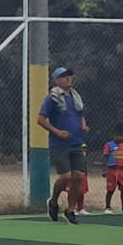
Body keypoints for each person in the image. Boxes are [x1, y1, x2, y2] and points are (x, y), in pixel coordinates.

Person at [36, 67, 88, 225]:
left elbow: (81, 113)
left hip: (76, 142)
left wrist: (83, 124)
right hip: (60, 144)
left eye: (69, 76)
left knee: (79, 176)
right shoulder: (52, 99)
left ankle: (70, 209)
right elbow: (41, 120)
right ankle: (53, 201)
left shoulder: (75, 97)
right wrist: (57, 132)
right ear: (56, 80)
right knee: (66, 177)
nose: (68, 79)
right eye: (64, 76)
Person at [102, 127, 123, 215]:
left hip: (122, 170)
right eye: (116, 135)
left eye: (121, 135)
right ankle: (107, 207)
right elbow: (105, 157)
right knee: (110, 189)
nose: (118, 137)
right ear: (113, 135)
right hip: (112, 170)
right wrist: (104, 169)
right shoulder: (109, 145)